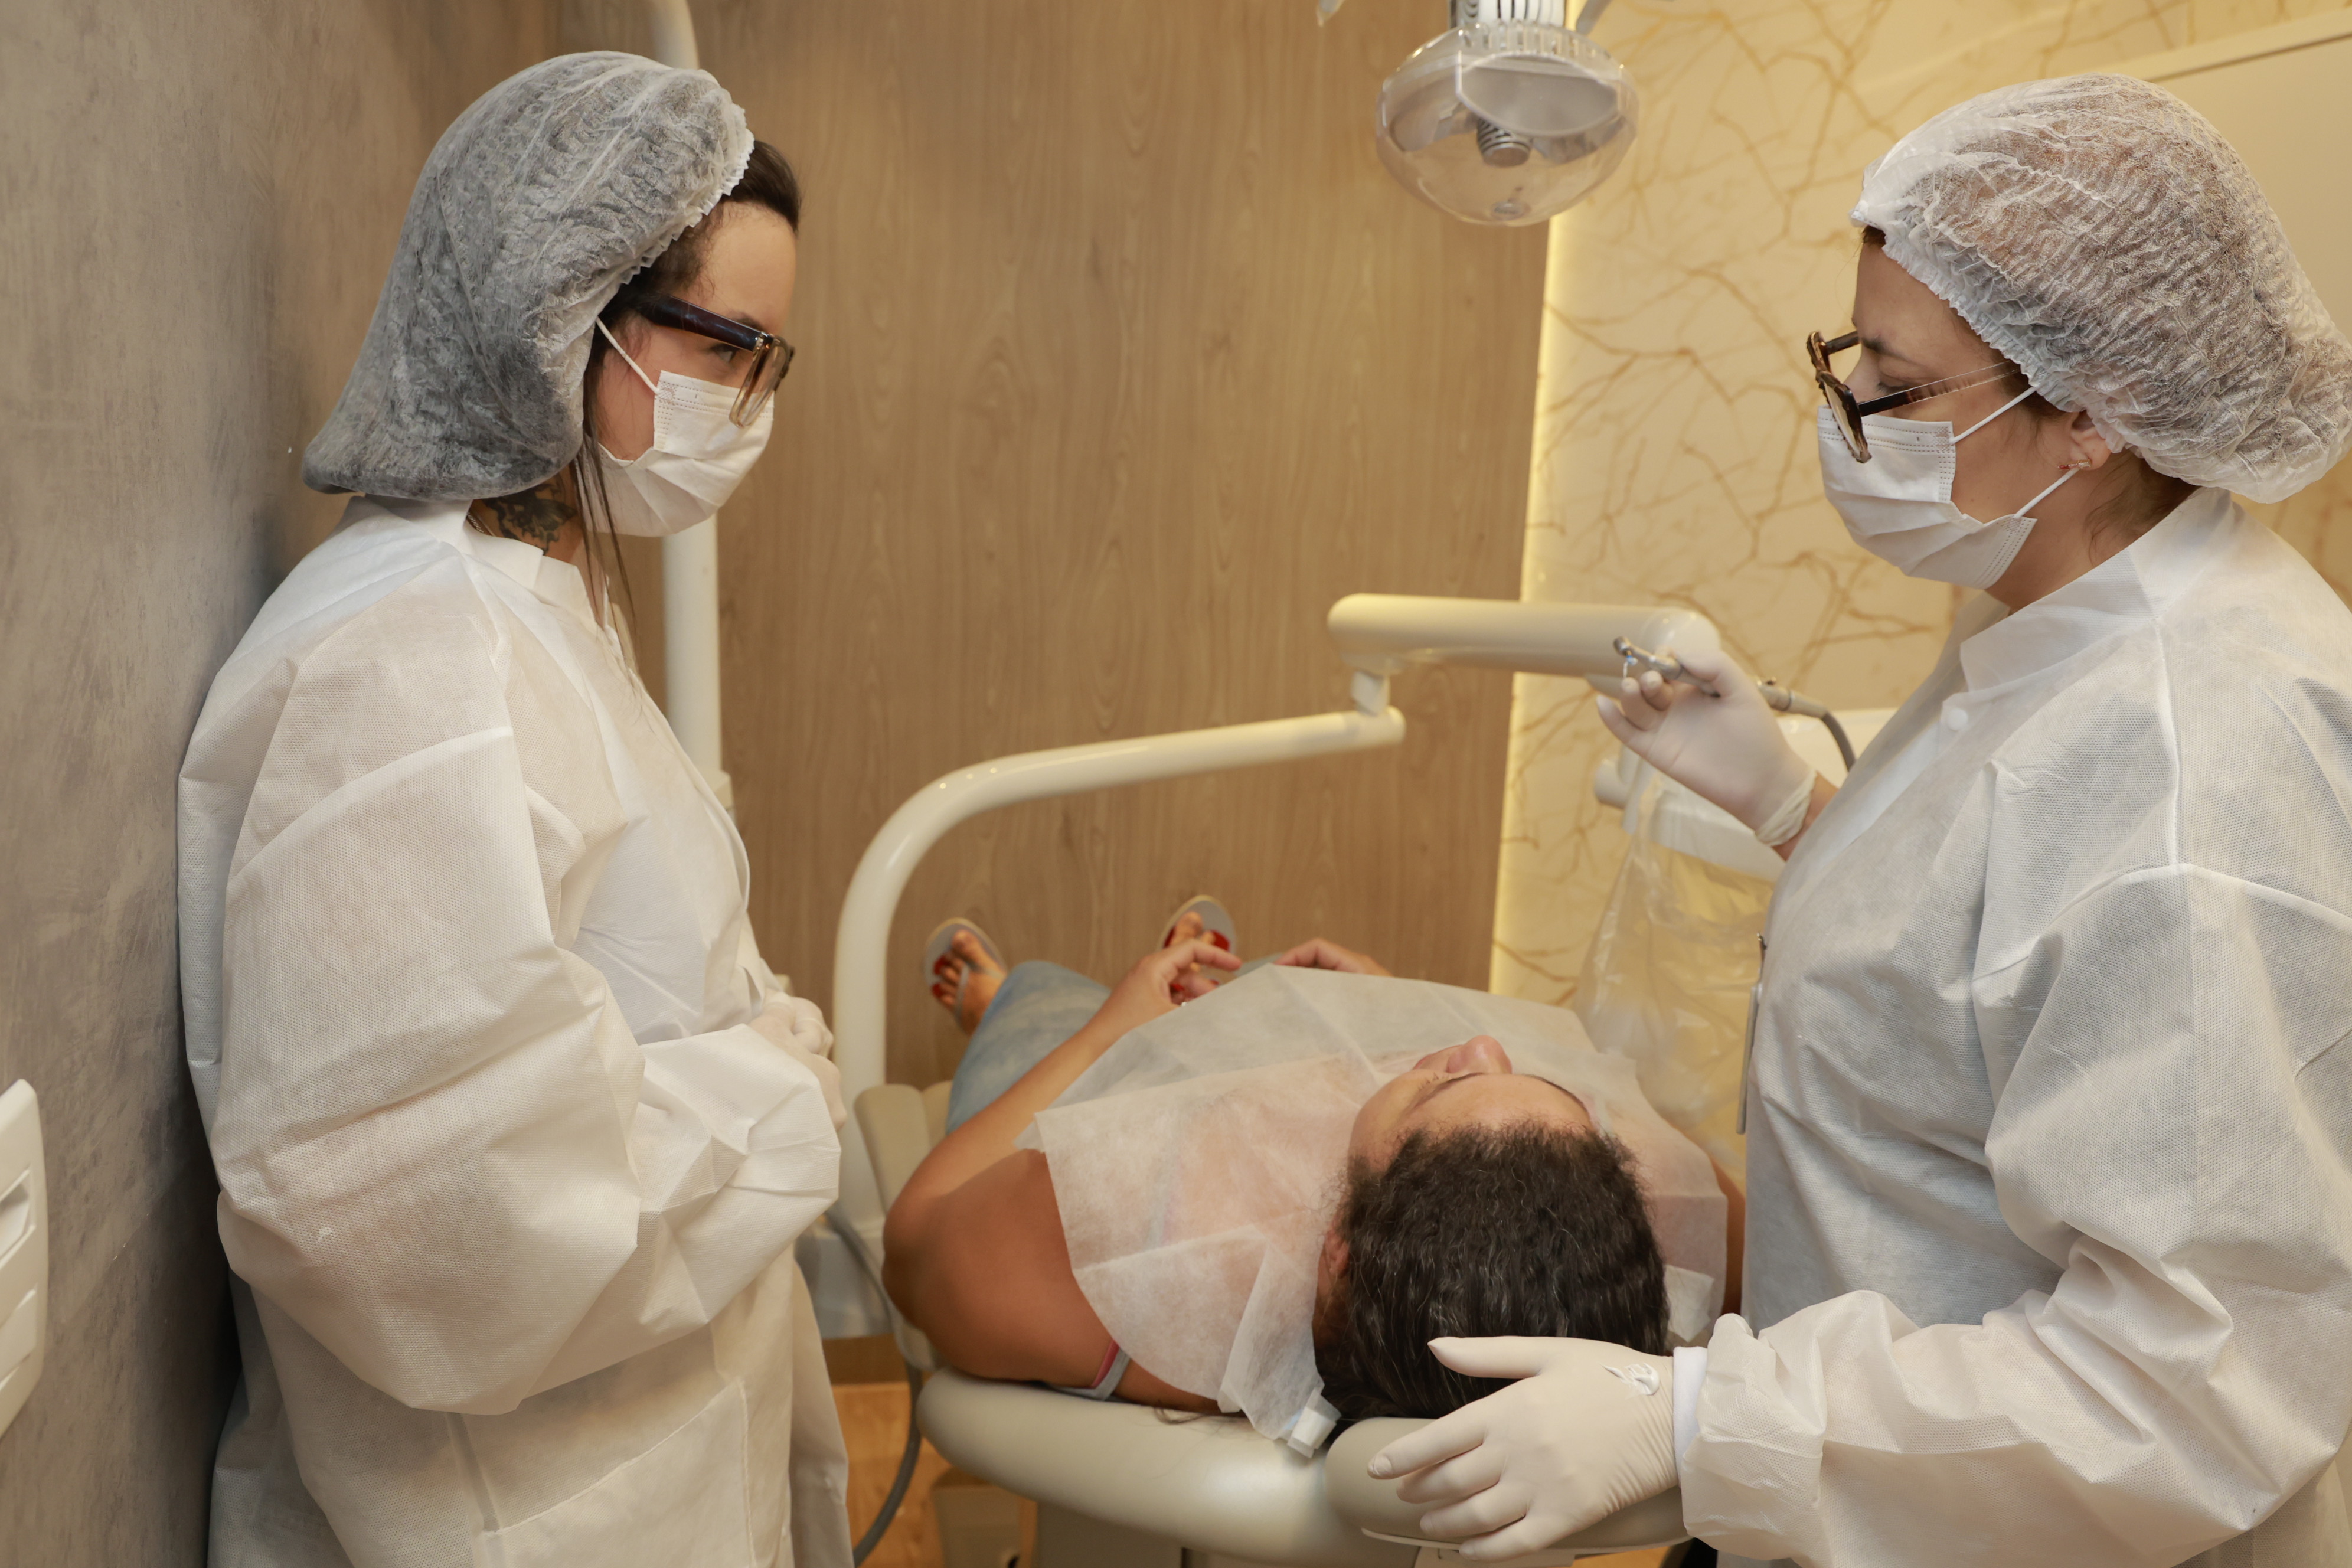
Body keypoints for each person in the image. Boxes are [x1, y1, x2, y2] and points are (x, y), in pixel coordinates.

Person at [1366, 74, 2352, 1567]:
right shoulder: (2063, 594)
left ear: (2090, 413)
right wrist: (1795, 810)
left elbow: (2186, 1390)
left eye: (1896, 387)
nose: (1850, 422)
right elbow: (2008, 966)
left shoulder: (2189, 762)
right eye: (1853, 357)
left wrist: (1699, 1424)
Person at [177, 55, 850, 1568]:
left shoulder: (528, 600)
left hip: (626, 1439)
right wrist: (774, 1094)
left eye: (772, 363)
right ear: (562, 302)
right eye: (727, 349)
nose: (747, 405)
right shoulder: (416, 657)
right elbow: (432, 1203)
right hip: (515, 1504)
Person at [884, 912, 1731, 1446]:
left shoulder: (1127, 1220)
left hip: (1090, 1105)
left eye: (1440, 1085)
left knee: (1047, 1004)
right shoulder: (1675, 1218)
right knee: (1255, 983)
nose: (1481, 1043)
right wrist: (1401, 1011)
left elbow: (912, 1247)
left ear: (1336, 1254)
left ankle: (996, 1001)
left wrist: (1110, 1035)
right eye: (1559, 1094)